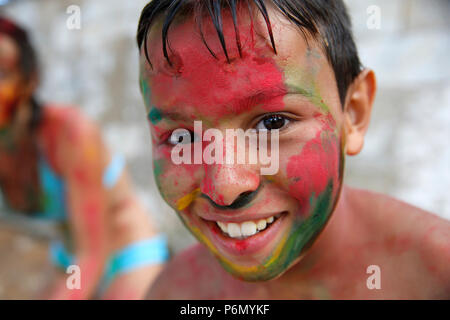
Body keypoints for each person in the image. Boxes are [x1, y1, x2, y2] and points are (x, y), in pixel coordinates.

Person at [137, 0, 449, 299]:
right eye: (182, 137)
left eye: (272, 123)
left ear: (353, 113)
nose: (225, 187)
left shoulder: (436, 280)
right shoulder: (177, 292)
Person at [0, 16, 168, 299]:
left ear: (29, 79)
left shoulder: (70, 134)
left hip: (126, 256)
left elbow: (92, 254)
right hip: (68, 256)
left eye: (2, 73)